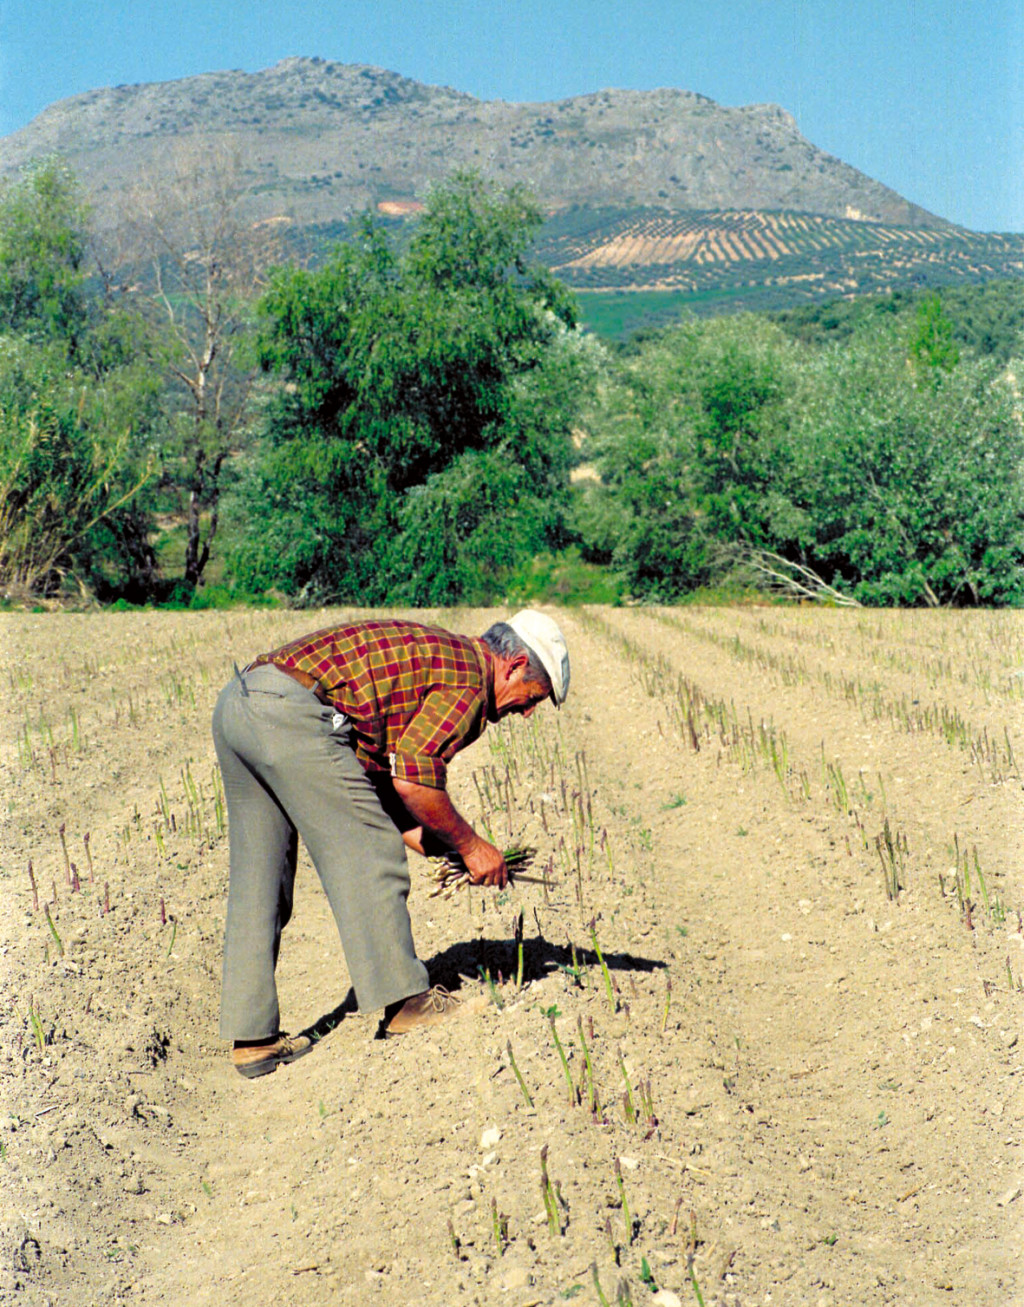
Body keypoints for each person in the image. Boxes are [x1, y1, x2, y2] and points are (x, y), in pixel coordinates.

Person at [211, 610, 570, 1078]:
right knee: (373, 851)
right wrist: (472, 846)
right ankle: (407, 1002)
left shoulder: (443, 655)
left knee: (261, 874)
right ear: (515, 664)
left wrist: (442, 845)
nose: (525, 712)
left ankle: (252, 1038)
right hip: (295, 714)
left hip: (243, 703)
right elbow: (414, 782)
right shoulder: (469, 679)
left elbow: (376, 782)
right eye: (532, 698)